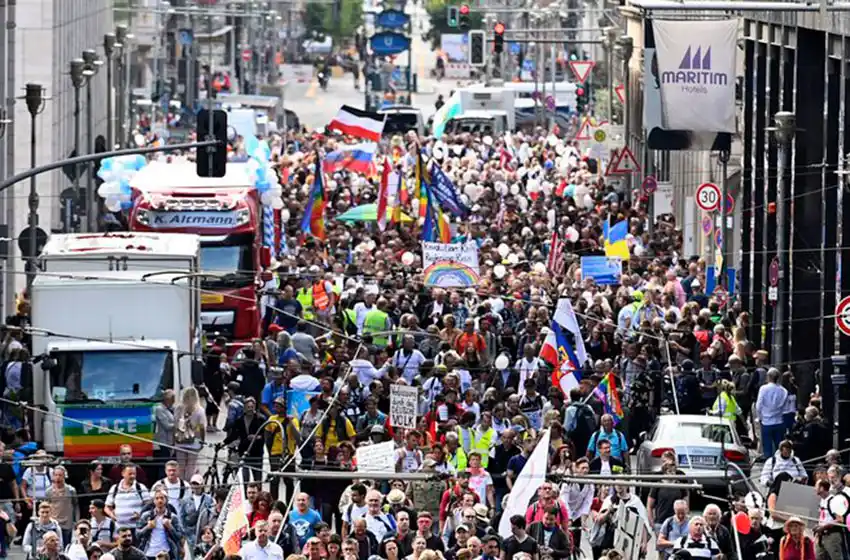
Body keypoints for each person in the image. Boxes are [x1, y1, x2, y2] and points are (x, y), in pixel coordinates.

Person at [135, 489, 183, 560]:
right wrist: (147, 527)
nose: (159, 501)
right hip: (149, 552)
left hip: (167, 553)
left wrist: (170, 527)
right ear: (153, 501)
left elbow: (179, 536)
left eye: (162, 498)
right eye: (157, 498)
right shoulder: (146, 515)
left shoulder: (173, 517)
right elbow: (137, 534)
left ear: (166, 500)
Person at [756, 368, 788, 459]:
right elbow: (784, 407)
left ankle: (769, 464)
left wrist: (760, 417)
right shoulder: (783, 391)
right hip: (779, 421)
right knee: (779, 446)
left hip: (766, 422)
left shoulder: (763, 389)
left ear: (768, 377)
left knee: (767, 447)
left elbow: (759, 405)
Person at [174, 386, 206, 478]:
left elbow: (175, 425)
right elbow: (202, 427)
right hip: (194, 441)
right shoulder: (200, 410)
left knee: (181, 466)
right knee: (191, 466)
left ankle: (181, 485)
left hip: (180, 441)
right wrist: (202, 441)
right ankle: (189, 486)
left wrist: (174, 440)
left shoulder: (178, 408)